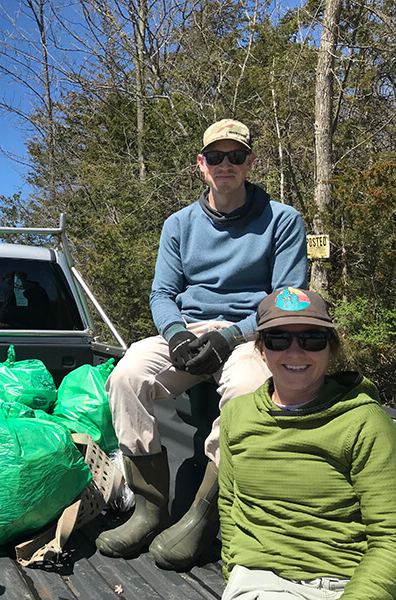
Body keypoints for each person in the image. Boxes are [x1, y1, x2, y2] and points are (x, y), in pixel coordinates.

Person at [95, 119, 309, 568]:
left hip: (251, 334)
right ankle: (150, 509)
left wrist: (231, 335)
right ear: (201, 164)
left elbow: (288, 298)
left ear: (250, 162)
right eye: (215, 156)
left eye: (235, 156)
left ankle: (202, 516)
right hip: (188, 331)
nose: (225, 164)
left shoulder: (284, 220)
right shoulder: (179, 224)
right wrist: (175, 335)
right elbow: (161, 293)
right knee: (127, 375)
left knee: (249, 390)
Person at [219, 287, 396, 599]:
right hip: (257, 580)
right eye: (278, 339)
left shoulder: (365, 422)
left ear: (331, 348)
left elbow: (390, 535)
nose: (295, 352)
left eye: (312, 339)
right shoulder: (237, 414)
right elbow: (229, 504)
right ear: (261, 349)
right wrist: (235, 572)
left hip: (343, 585)